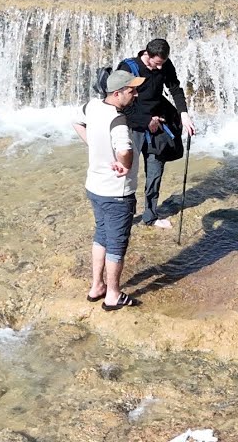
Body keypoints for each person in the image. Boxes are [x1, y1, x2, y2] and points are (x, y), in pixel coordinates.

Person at [73, 69, 145, 311]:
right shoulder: (118, 120)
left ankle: (96, 286)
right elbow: (124, 149)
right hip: (117, 193)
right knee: (117, 245)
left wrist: (93, 144)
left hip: (95, 187)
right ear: (117, 93)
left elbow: (76, 121)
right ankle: (113, 294)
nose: (135, 95)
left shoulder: (93, 106)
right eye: (131, 91)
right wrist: (125, 165)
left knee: (101, 235)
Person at [117, 38, 196, 228]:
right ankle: (124, 214)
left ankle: (150, 216)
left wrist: (184, 114)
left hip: (158, 125)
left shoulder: (165, 64)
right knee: (127, 173)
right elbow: (121, 104)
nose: (160, 68)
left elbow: (175, 88)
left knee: (155, 172)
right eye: (157, 63)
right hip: (134, 126)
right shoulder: (129, 69)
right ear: (147, 55)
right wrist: (147, 121)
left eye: (163, 63)